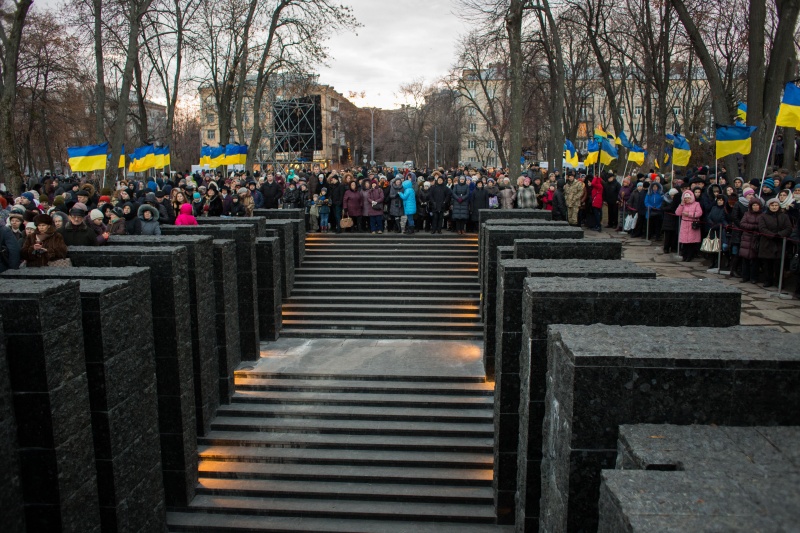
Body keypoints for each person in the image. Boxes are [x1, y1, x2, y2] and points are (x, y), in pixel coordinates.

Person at [758, 197, 793, 287]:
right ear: (769, 206)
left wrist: (780, 234)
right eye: (772, 205)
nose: (774, 207)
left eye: (776, 205)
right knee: (767, 264)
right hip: (767, 242)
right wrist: (772, 235)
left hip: (780, 243)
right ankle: (768, 280)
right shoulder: (763, 216)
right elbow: (762, 228)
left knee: (778, 265)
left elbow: (788, 228)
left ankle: (779, 282)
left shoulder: (784, 216)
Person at [739, 197, 763, 283]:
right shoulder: (747, 214)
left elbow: (762, 226)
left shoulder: (762, 215)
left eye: (757, 205)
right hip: (746, 238)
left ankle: (754, 278)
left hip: (756, 239)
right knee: (745, 259)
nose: (755, 207)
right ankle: (745, 276)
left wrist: (755, 228)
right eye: (754, 205)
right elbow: (742, 224)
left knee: (755, 260)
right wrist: (753, 227)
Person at [675, 190, 703, 262]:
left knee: (691, 242)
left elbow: (699, 213)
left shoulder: (696, 204)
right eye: (685, 198)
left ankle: (690, 256)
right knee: (685, 242)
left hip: (692, 224)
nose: (687, 199)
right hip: (684, 224)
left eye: (688, 198)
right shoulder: (683, 205)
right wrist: (681, 204)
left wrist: (689, 214)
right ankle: (684, 255)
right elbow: (677, 213)